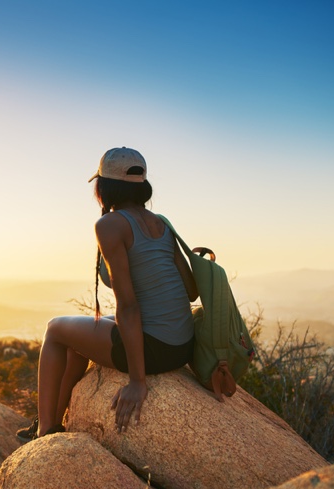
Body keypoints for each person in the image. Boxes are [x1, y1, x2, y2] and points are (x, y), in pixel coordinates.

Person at [18, 147, 199, 439]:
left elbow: (128, 307)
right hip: (182, 346)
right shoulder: (162, 223)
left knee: (54, 330)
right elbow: (191, 291)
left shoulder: (111, 224)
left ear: (104, 187)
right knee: (75, 341)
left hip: (155, 349)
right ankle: (49, 420)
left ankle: (44, 432)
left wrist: (138, 382)